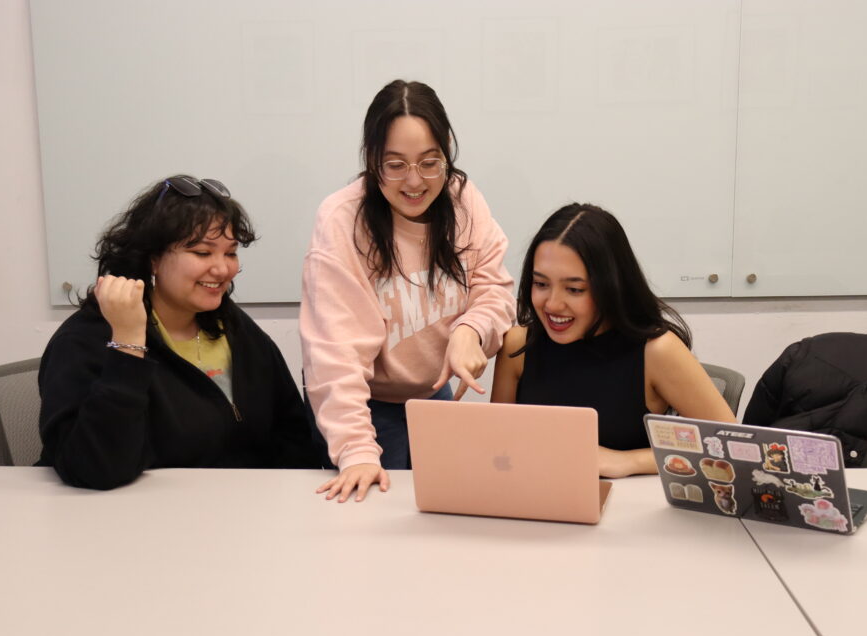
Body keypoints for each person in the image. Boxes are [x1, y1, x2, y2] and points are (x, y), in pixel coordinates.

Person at [301, 80, 515, 502]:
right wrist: (357, 451)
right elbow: (335, 357)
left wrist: (470, 330)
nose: (414, 182)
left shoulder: (464, 199)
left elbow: (494, 289)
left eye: (429, 162)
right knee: (374, 510)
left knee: (449, 508)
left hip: (431, 395)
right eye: (395, 165)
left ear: (447, 150)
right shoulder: (342, 221)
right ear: (371, 160)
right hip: (363, 402)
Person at [38, 175, 320, 489]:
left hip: (237, 515)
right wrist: (128, 343)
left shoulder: (234, 326)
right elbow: (97, 470)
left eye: (230, 253)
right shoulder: (85, 339)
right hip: (132, 521)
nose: (222, 268)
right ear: (153, 259)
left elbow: (293, 436)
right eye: (202, 253)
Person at [491, 203, 736, 477]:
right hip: (535, 503)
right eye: (541, 284)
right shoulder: (517, 346)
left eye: (574, 289)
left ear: (611, 286)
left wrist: (627, 461)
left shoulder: (657, 352)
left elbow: (729, 444)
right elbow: (499, 446)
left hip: (632, 511)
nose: (552, 304)